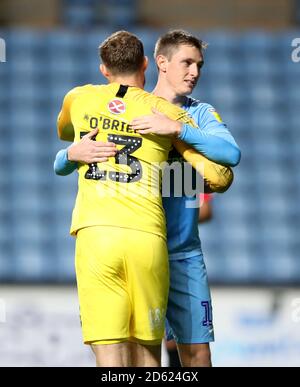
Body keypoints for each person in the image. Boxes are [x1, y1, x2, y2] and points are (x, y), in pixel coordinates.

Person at [55, 30, 241, 367]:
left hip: (180, 252)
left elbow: (229, 156)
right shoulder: (135, 109)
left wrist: (179, 132)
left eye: (200, 65)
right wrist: (70, 156)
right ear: (158, 63)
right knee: (134, 348)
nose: (195, 72)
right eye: (188, 63)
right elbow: (71, 152)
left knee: (196, 354)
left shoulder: (197, 115)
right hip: (144, 241)